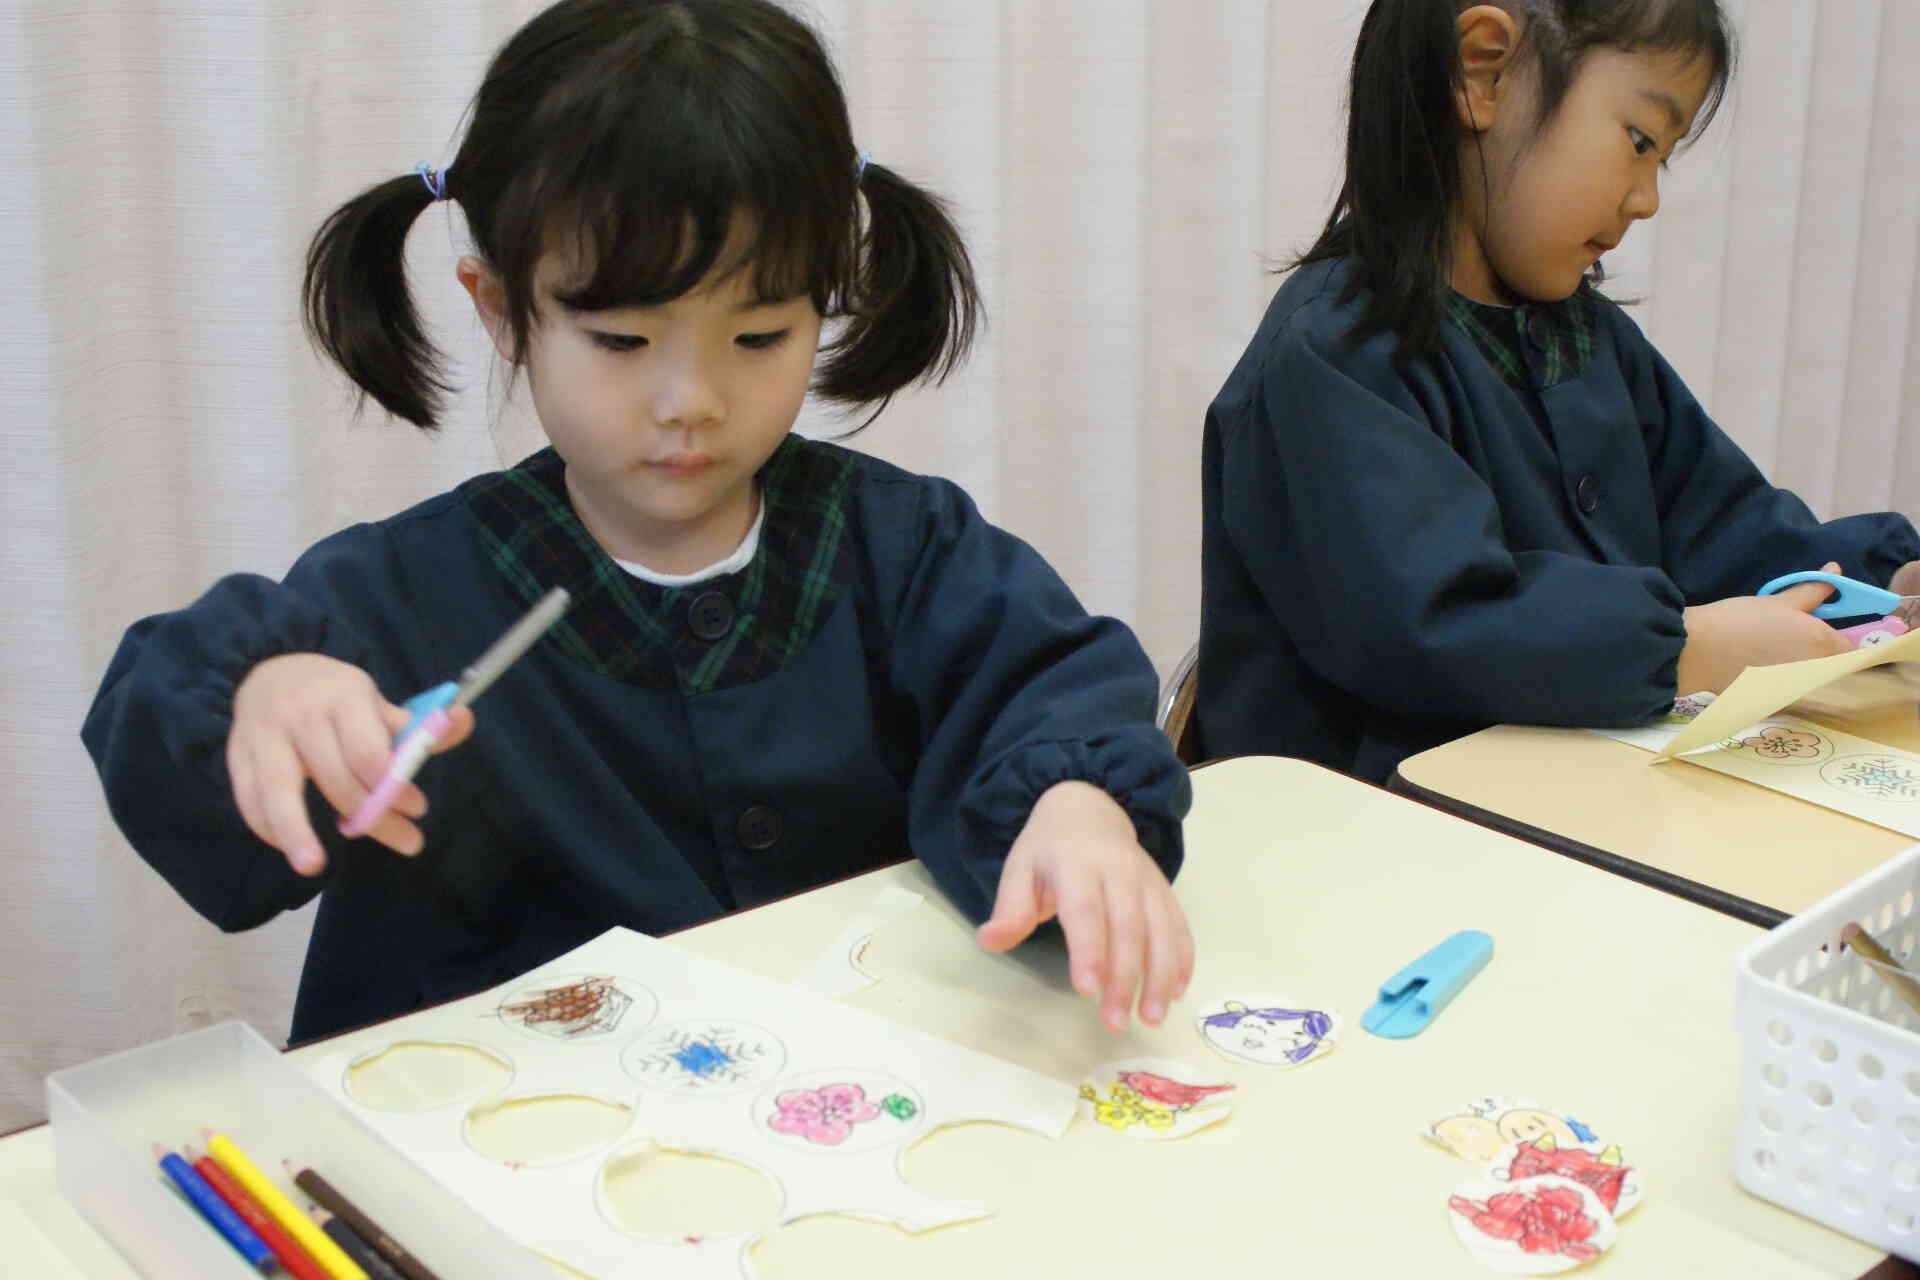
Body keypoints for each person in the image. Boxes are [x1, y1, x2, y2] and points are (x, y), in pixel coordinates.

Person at [84, 0, 1192, 1041]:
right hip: (500, 1151)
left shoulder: (902, 549)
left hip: (830, 1116)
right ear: (501, 308)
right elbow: (177, 734)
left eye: (759, 337)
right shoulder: (405, 594)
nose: (691, 402)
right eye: (622, 342)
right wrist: (261, 695)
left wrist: (1079, 802)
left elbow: (1049, 679)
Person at [1197, 0, 1920, 783]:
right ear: (1482, 73)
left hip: (1580, 806)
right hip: (1381, 848)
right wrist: (1684, 651)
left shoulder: (1593, 341)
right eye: (1640, 141)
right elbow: (1434, 630)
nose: (1646, 198)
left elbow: (1728, 530)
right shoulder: (1332, 356)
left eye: (1660, 160)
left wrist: (1883, 582)